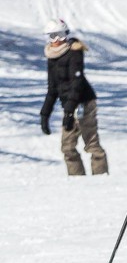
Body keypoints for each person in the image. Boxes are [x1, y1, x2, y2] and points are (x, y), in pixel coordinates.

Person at [40, 20, 109, 177]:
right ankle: (78, 181)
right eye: (52, 36)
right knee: (67, 147)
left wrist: (69, 112)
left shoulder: (74, 52)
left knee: (91, 143)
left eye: (60, 35)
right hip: (69, 106)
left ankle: (101, 177)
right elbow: (52, 89)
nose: (57, 40)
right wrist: (45, 114)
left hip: (84, 102)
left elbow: (76, 84)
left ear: (66, 34)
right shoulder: (51, 56)